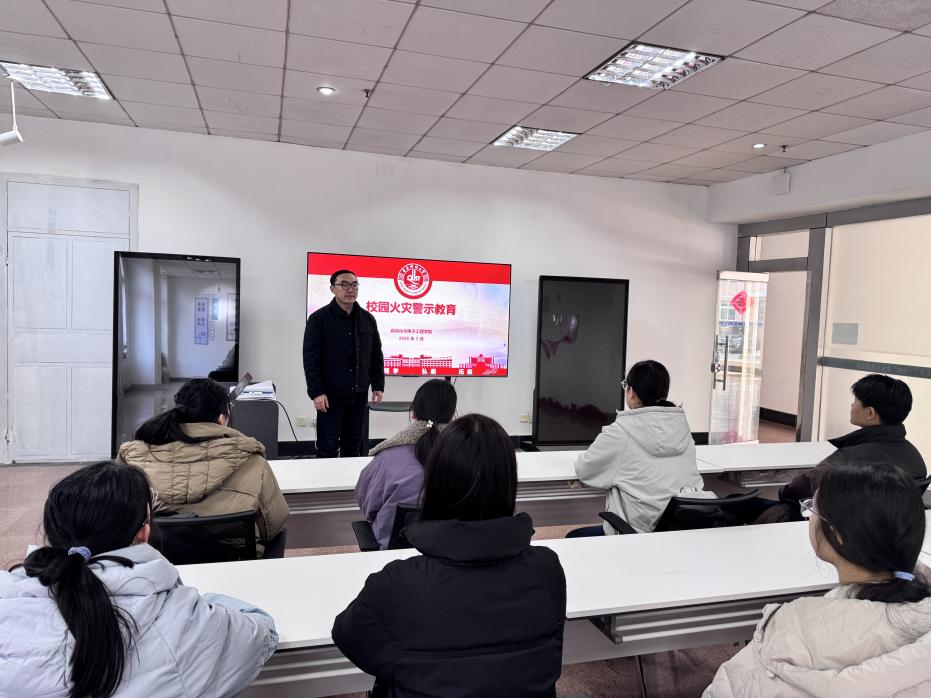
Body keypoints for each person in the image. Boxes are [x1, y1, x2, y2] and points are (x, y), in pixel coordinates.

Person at [333, 414, 567, 697]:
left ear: (435, 483)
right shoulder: (548, 569)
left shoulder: (399, 583)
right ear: (509, 483)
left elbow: (351, 639)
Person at [0, 461, 278, 698]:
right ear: (143, 533)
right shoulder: (187, 620)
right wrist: (210, 602)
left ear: (52, 531)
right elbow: (261, 635)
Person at [704, 461, 931, 696]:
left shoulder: (789, 634)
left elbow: (728, 688)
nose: (810, 517)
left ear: (837, 535)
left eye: (813, 509)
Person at [118, 378, 288, 558]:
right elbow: (273, 524)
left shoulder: (133, 456)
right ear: (222, 418)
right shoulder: (252, 459)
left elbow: (119, 517)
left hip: (155, 563)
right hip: (234, 564)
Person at [756, 373, 926, 524]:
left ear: (870, 413)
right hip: (875, 533)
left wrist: (782, 491)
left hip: (823, 528)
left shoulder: (847, 459)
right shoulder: (916, 459)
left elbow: (798, 490)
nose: (852, 406)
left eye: (855, 401)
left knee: (744, 504)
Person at [569, 360, 706, 536]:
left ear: (632, 391)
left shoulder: (620, 431)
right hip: (679, 528)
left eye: (625, 385)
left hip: (637, 534)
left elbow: (585, 470)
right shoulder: (681, 427)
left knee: (573, 537)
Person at [355, 378, 457, 549]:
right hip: (451, 552)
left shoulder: (387, 456)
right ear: (452, 416)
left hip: (394, 555)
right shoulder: (468, 457)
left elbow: (367, 504)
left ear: (413, 413)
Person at [303, 269, 386, 458]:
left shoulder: (367, 319)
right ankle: (326, 478)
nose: (350, 289)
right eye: (344, 285)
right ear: (333, 289)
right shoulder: (319, 319)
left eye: (354, 285)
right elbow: (310, 358)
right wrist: (316, 392)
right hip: (330, 395)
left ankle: (351, 478)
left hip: (358, 393)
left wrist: (378, 385)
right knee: (327, 446)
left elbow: (376, 355)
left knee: (353, 446)